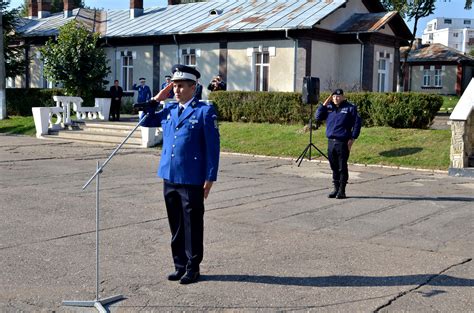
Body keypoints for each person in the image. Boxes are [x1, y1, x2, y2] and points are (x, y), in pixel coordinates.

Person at [140, 64, 220, 284]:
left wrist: (210, 178)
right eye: (173, 86)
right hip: (169, 176)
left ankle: (193, 267)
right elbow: (145, 120)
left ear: (193, 87)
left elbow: (213, 148)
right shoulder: (168, 109)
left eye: (181, 86)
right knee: (175, 224)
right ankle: (179, 265)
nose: (176, 90)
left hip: (192, 178)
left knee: (192, 224)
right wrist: (158, 98)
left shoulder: (205, 111)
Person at [315, 89, 361, 199]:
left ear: (343, 97)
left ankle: (342, 190)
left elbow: (357, 123)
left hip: (342, 142)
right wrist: (325, 103)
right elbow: (317, 117)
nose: (336, 98)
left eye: (338, 96)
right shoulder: (329, 107)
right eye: (334, 96)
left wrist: (353, 138)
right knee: (334, 167)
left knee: (342, 167)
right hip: (331, 142)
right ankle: (335, 189)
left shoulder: (350, 108)